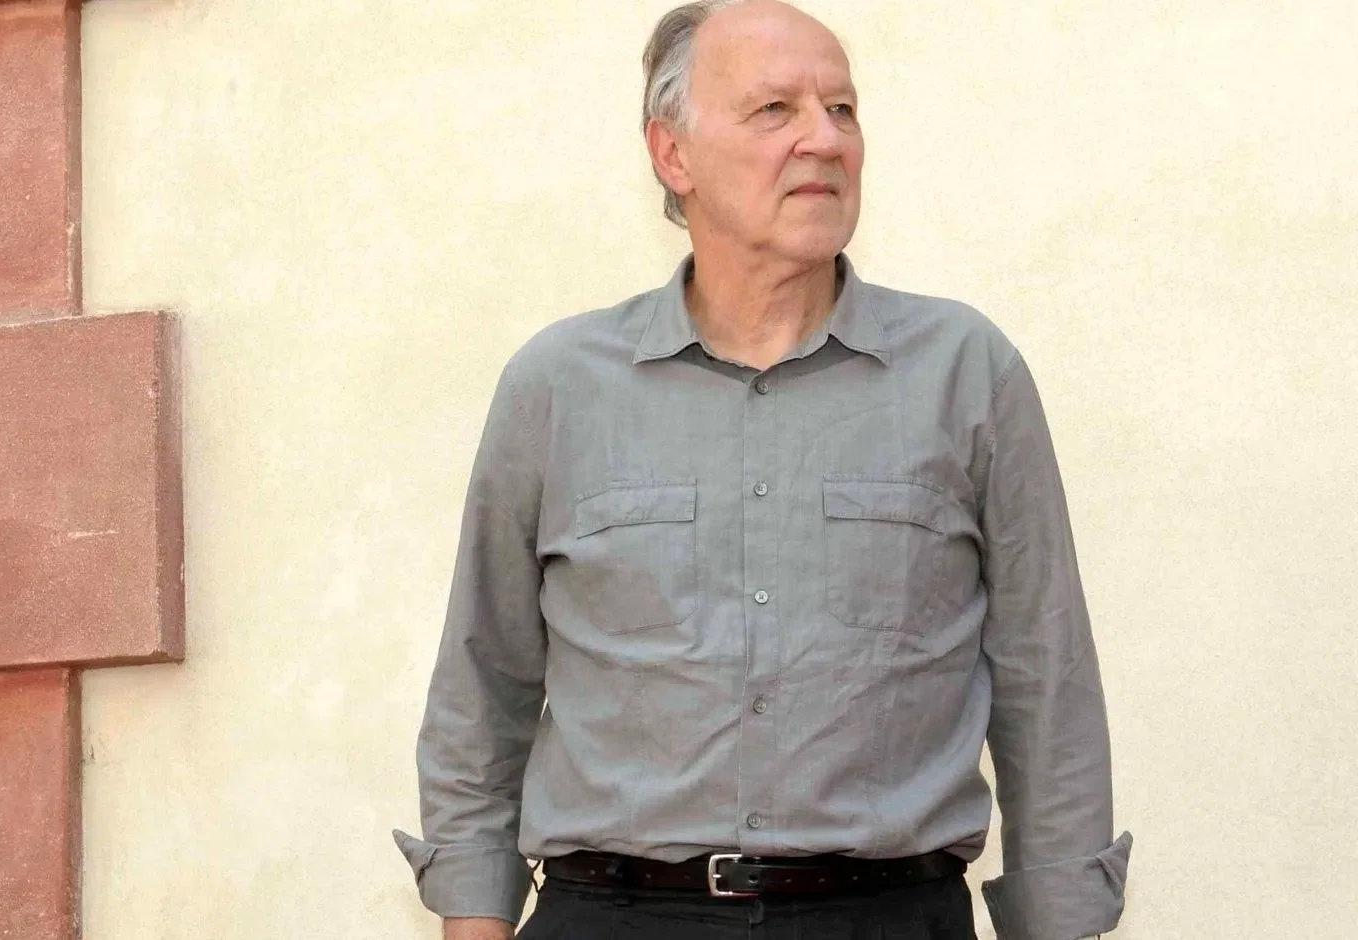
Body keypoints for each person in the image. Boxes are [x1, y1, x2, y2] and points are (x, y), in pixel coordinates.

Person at [394, 1, 1132, 937]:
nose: (824, 139)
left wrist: (1062, 920)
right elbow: (483, 678)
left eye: (843, 109)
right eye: (775, 109)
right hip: (615, 915)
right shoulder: (557, 386)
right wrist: (472, 916)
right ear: (673, 155)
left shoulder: (966, 372)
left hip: (887, 918)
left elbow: (1045, 680)